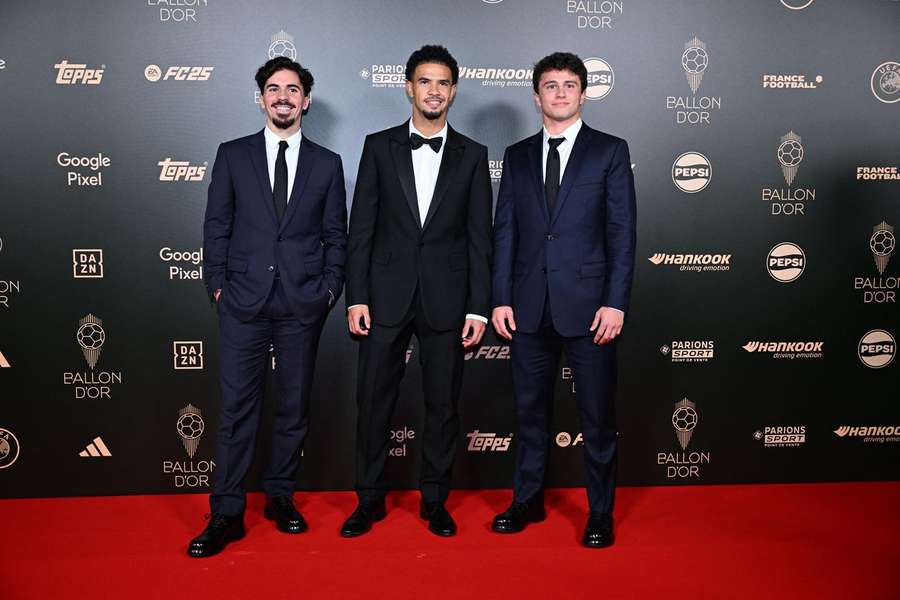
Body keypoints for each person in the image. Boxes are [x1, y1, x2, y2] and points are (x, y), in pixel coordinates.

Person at [188, 56, 347, 557]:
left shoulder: (327, 163)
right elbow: (217, 225)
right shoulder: (233, 155)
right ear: (261, 98)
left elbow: (335, 237)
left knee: (293, 408)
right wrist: (217, 285)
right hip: (242, 302)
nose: (283, 96)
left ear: (306, 100)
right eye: (273, 88)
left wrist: (328, 291)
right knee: (236, 409)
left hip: (303, 302)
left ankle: (281, 497)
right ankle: (227, 513)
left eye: (293, 89)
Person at [341, 45, 492, 538]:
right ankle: (368, 500)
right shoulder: (378, 146)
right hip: (384, 297)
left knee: (443, 406)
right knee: (374, 403)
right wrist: (356, 296)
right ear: (408, 87)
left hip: (448, 300)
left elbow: (479, 239)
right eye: (425, 81)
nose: (434, 90)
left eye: (443, 82)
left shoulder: (474, 155)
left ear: (453, 90)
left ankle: (435, 500)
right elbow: (360, 227)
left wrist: (478, 307)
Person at [490, 52, 636, 548]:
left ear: (583, 92)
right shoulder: (517, 156)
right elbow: (504, 230)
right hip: (528, 307)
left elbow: (622, 232)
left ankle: (600, 512)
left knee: (596, 417)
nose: (559, 93)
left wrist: (615, 302)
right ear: (536, 96)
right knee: (529, 413)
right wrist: (501, 298)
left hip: (591, 308)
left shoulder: (609, 152)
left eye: (568, 85)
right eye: (549, 85)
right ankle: (527, 500)